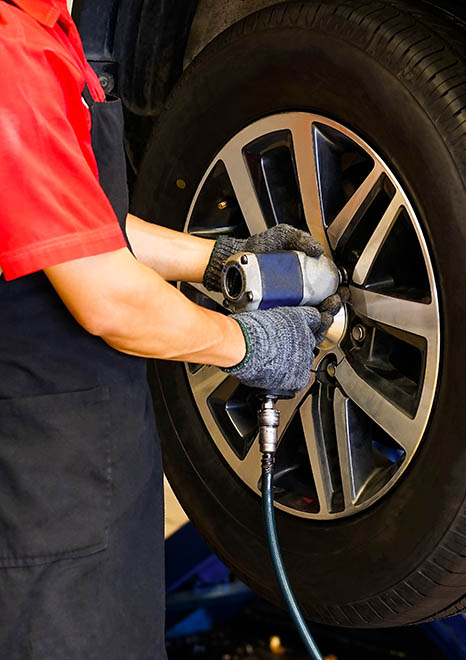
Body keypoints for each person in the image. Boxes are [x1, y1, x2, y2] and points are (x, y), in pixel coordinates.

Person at [0, 1, 339, 657]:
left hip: (82, 466)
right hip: (35, 485)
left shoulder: (45, 36)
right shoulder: (11, 57)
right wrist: (249, 345)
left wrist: (216, 261)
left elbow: (75, 220)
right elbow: (110, 301)